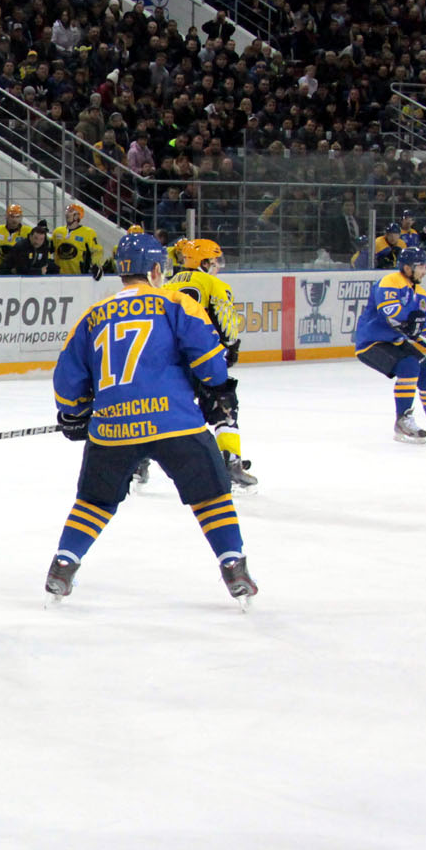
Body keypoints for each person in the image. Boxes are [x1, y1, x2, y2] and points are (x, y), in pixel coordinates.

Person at [45, 233, 256, 605]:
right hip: (174, 421)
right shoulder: (175, 303)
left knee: (94, 502)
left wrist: (74, 411)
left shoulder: (93, 315)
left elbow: (66, 379)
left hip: (112, 428)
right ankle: (233, 565)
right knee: (211, 495)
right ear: (157, 269)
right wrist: (214, 387)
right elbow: (210, 362)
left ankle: (63, 565)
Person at [164, 239, 256, 487]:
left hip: (168, 359)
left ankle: (139, 463)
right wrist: (231, 346)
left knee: (161, 410)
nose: (218, 266)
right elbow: (226, 327)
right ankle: (231, 462)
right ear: (203, 262)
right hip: (202, 356)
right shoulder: (214, 284)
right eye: (215, 261)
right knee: (223, 405)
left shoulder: (166, 284)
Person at [352, 245, 426, 443]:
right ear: (407, 267)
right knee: (409, 366)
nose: (425, 270)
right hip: (371, 342)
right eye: (421, 266)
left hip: (396, 341)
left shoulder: (422, 295)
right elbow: (390, 312)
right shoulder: (390, 281)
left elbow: (420, 329)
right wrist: (409, 320)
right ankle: (402, 420)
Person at [51, 203, 105, 277]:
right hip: (59, 275)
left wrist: (96, 265)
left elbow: (97, 251)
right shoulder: (57, 231)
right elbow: (49, 248)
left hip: (79, 275)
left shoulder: (88, 232)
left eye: (71, 211)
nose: (67, 213)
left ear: (77, 216)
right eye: (67, 211)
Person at [0, 203, 31, 273]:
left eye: (17, 217)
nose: (14, 220)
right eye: (12, 216)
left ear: (21, 217)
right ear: (6, 216)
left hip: (18, 269)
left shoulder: (28, 232)